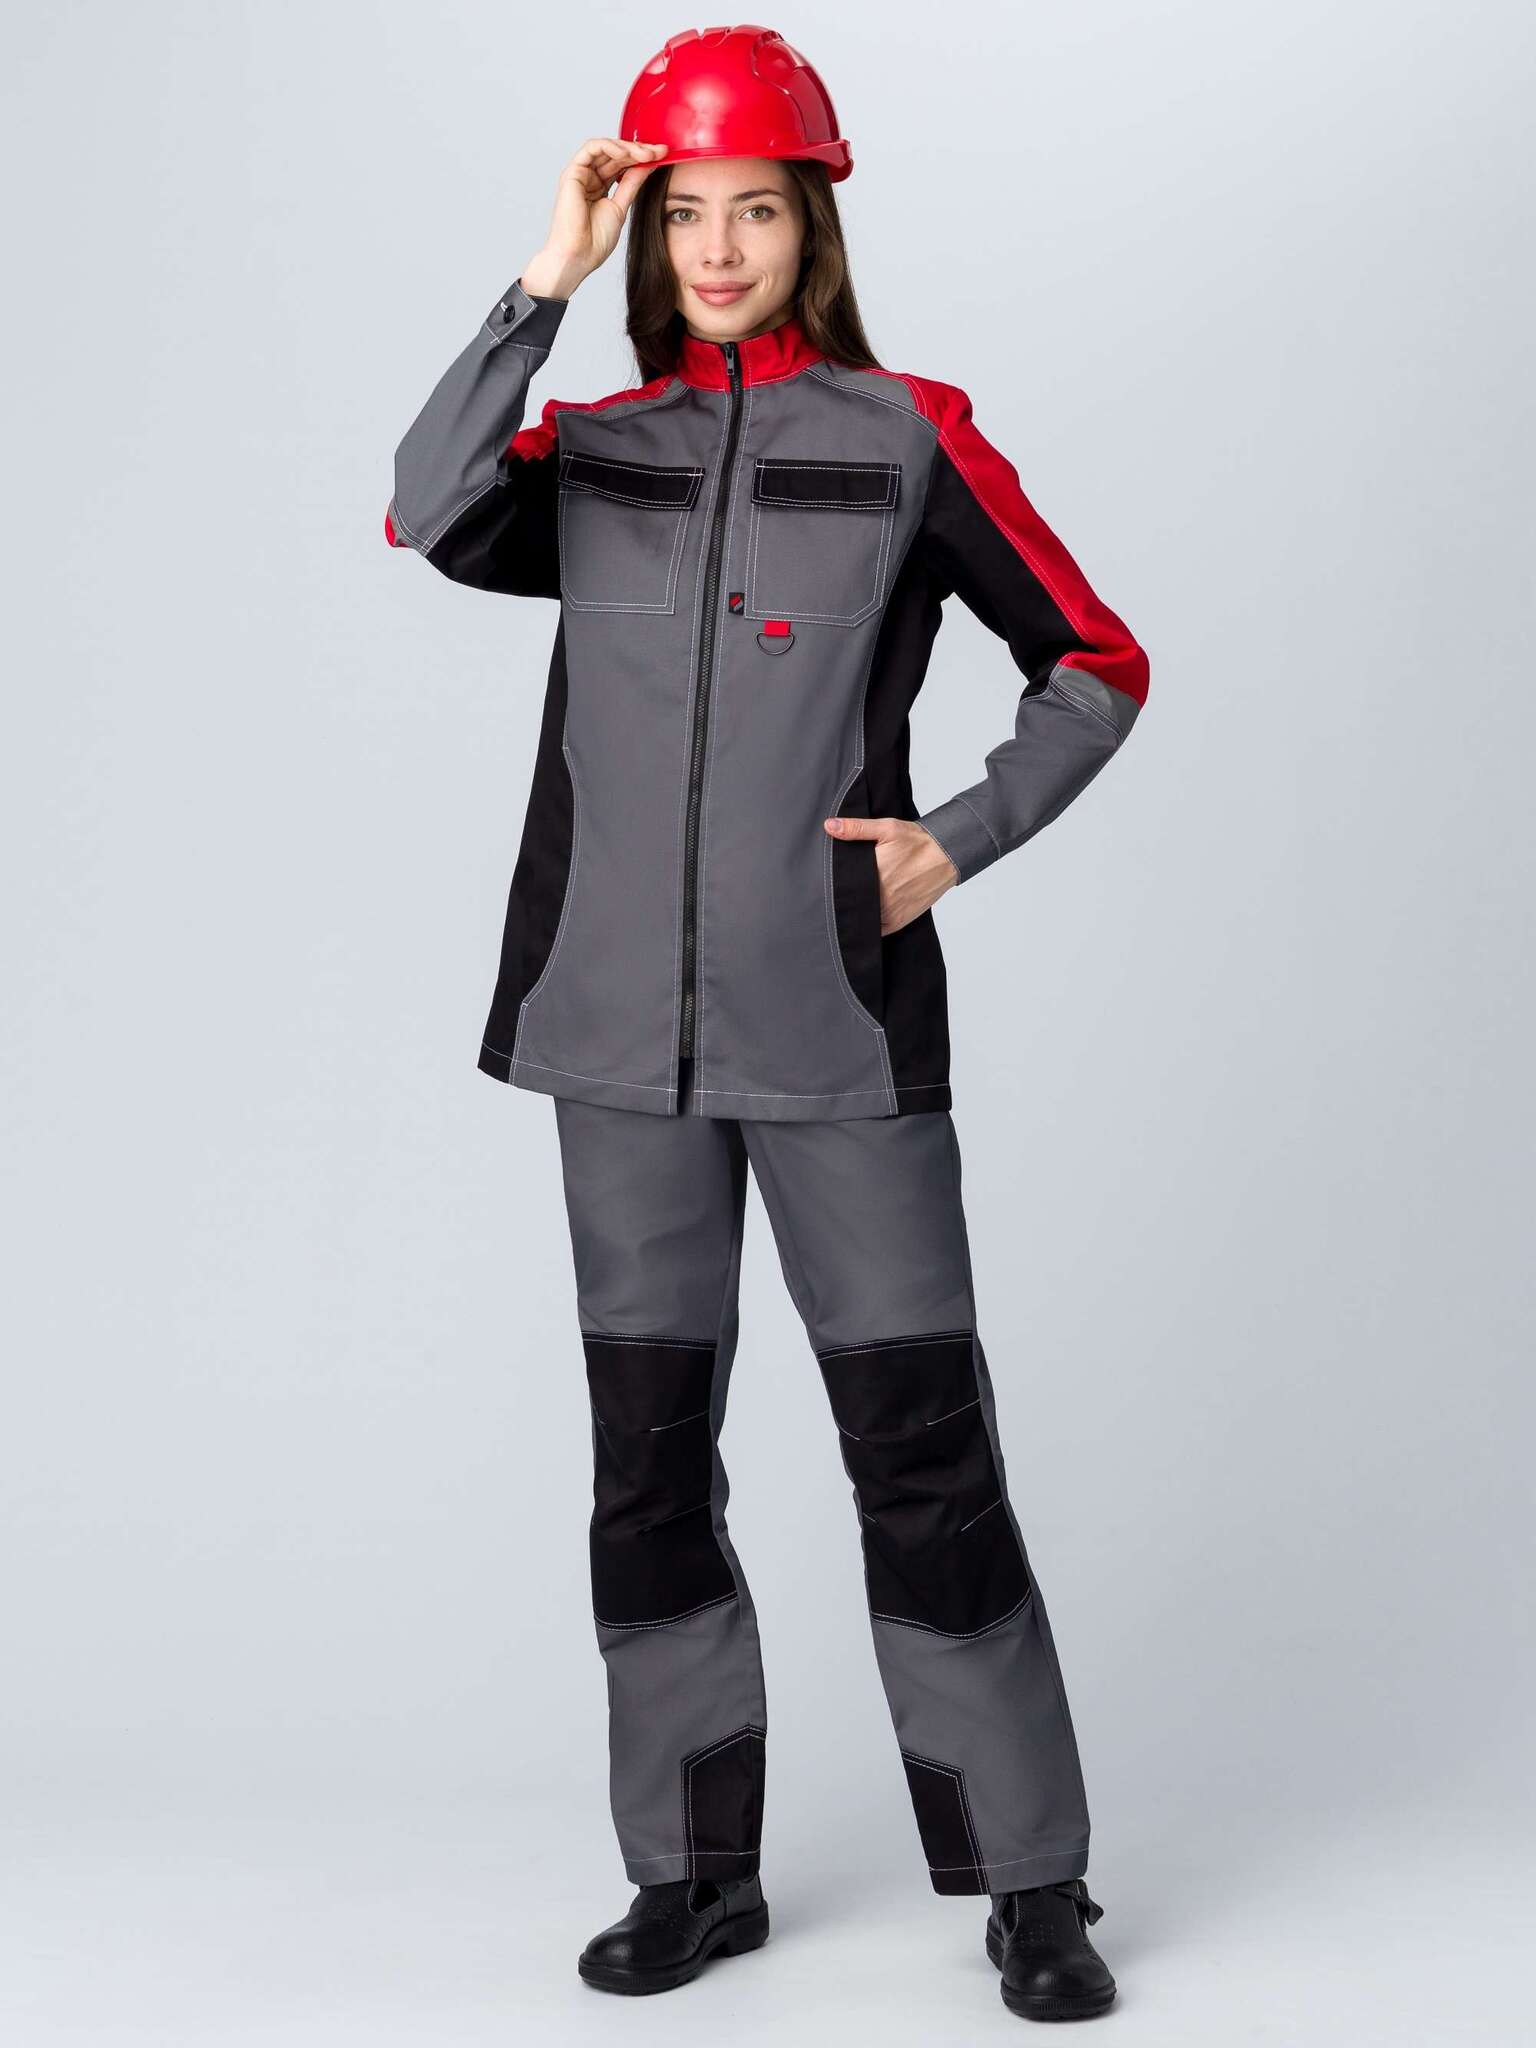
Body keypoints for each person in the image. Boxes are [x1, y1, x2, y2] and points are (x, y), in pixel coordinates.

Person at [386, 24, 1147, 2023]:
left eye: (758, 211)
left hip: (841, 1042)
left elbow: (1095, 661)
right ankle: (692, 1874)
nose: (720, 248)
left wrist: (956, 839)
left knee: (925, 1457)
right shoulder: (593, 453)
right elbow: (422, 505)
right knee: (648, 1471)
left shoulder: (909, 438)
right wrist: (541, 280)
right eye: (686, 214)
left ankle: (1034, 1882)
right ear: (648, 232)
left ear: (813, 229)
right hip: (610, 1049)